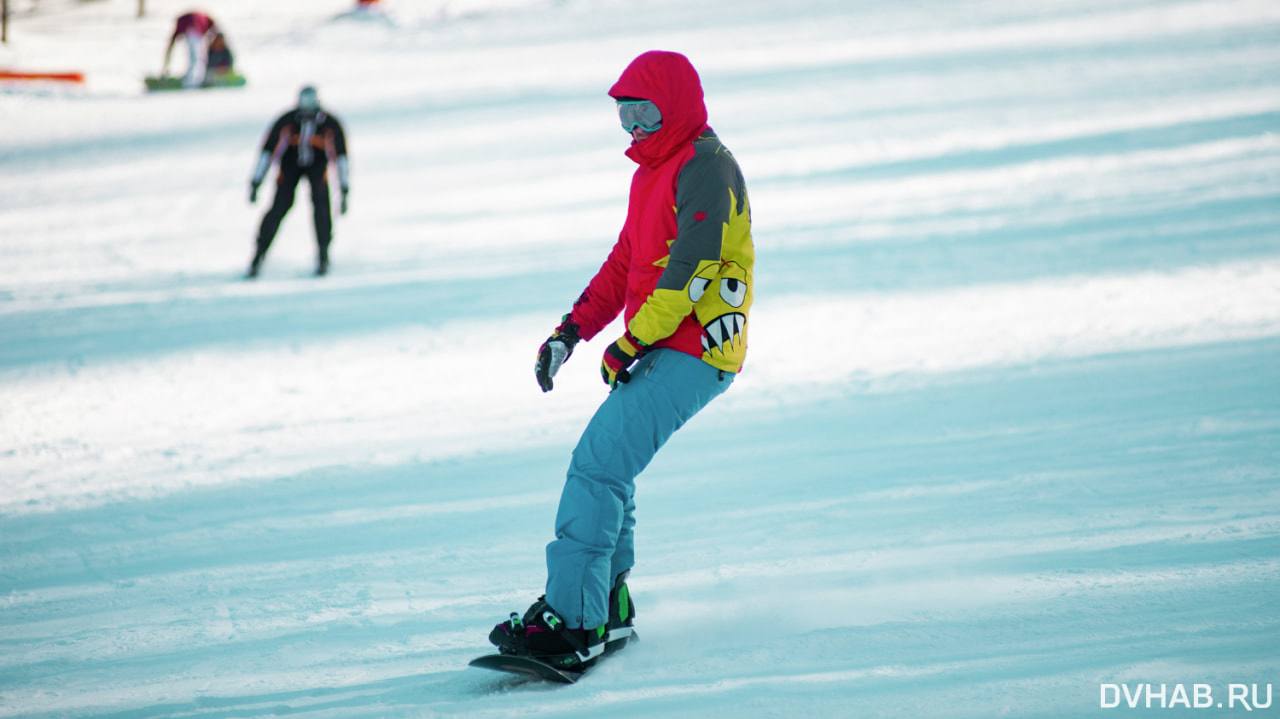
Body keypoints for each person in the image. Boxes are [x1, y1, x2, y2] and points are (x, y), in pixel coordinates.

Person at [488, 50, 753, 669]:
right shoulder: (652, 172)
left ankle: (574, 623)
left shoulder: (707, 167)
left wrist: (631, 343)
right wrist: (571, 331)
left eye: (646, 112)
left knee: (597, 467)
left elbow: (694, 268)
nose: (634, 126)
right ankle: (606, 605)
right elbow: (623, 263)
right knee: (611, 470)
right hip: (663, 342)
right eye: (624, 114)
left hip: (695, 343)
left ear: (678, 107)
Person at [247, 86, 350, 278]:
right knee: (279, 207)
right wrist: (256, 181)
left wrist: (344, 188)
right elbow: (268, 151)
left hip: (318, 169)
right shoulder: (287, 121)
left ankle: (323, 253)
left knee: (321, 206)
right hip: (289, 168)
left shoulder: (329, 123)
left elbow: (341, 156)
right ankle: (259, 254)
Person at [162, 11, 217, 88]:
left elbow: (173, 39)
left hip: (192, 32)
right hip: (194, 32)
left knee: (195, 57)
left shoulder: (187, 19)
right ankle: (193, 79)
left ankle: (192, 79)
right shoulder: (203, 19)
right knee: (196, 57)